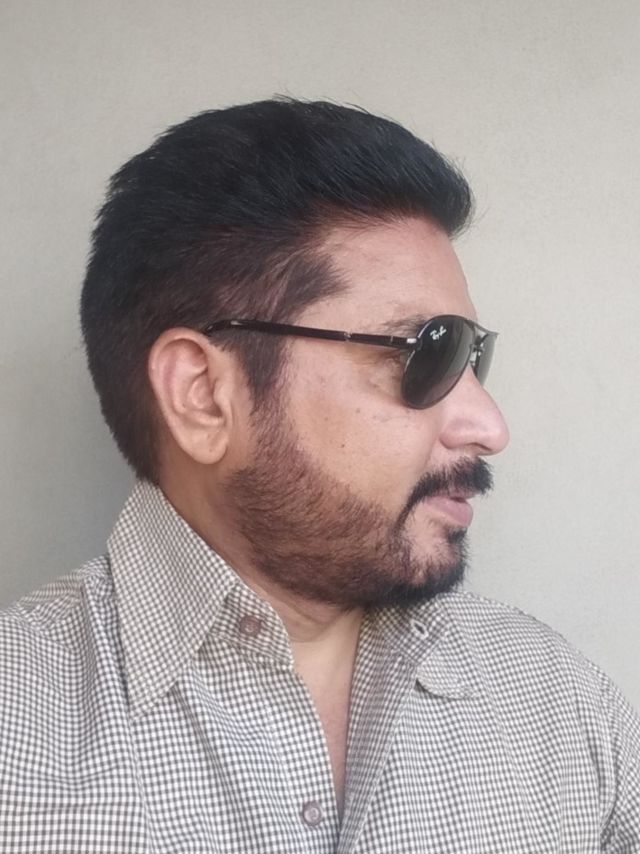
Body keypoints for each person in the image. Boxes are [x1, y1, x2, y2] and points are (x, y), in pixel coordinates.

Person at [1, 98, 638, 853]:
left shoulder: (556, 700)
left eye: (472, 357)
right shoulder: (20, 736)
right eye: (426, 352)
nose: (490, 427)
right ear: (203, 396)